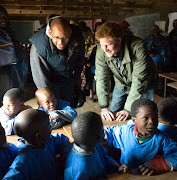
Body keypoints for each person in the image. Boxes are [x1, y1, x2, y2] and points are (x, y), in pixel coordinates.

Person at [95, 22, 156, 121]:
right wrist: (104, 107)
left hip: (144, 83)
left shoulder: (138, 46)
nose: (105, 50)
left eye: (108, 45)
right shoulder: (101, 48)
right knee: (113, 114)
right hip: (121, 82)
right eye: (102, 45)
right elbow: (101, 76)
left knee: (143, 116)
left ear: (119, 40)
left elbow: (139, 80)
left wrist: (128, 109)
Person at [104, 98, 177, 176]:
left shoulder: (162, 138)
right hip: (126, 175)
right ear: (134, 120)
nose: (151, 121)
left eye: (155, 117)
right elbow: (108, 132)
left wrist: (157, 164)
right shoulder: (124, 131)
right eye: (145, 118)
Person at [30, 16, 85, 107]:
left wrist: (78, 78)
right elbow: (40, 78)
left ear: (70, 32)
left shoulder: (77, 35)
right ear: (50, 33)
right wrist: (47, 99)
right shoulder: (38, 46)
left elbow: (80, 58)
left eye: (65, 37)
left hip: (68, 79)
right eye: (57, 37)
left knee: (69, 107)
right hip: (50, 82)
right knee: (54, 110)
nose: (61, 42)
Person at [3, 109, 70, 179]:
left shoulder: (47, 141)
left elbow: (61, 138)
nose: (51, 127)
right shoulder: (23, 161)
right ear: (38, 135)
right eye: (48, 125)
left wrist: (64, 151)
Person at [64, 111, 128, 180]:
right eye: (102, 129)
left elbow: (105, 158)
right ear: (98, 138)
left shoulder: (93, 144)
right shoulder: (76, 171)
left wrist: (116, 167)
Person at [0, 6, 29, 106]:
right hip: (2, 70)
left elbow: (12, 48)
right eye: (0, 16)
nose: (3, 19)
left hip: (9, 70)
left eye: (5, 16)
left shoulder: (7, 33)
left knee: (8, 99)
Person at [85, 22, 102, 102]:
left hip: (101, 62)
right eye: (98, 28)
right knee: (91, 79)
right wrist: (86, 61)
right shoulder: (91, 38)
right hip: (92, 62)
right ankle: (91, 95)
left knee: (101, 79)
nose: (100, 29)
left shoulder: (104, 37)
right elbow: (85, 50)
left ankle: (101, 96)